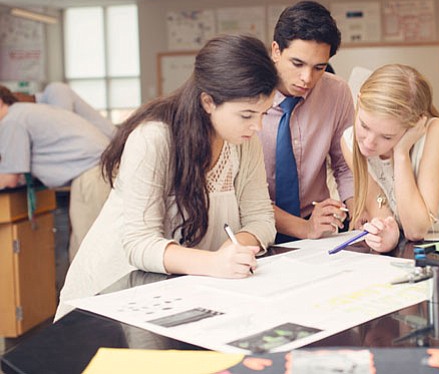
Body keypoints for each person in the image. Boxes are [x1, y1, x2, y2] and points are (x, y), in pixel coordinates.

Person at [56, 35, 278, 320]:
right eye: (247, 114)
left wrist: (233, 250)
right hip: (116, 289)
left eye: (263, 113)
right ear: (208, 102)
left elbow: (260, 217)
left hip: (181, 288)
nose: (258, 126)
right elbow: (139, 243)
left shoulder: (245, 141)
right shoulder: (154, 138)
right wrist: (213, 263)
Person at [341, 64, 439, 253]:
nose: (369, 142)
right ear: (359, 101)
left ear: (413, 125)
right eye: (364, 125)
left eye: (387, 136)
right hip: (427, 245)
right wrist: (386, 235)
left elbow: (416, 229)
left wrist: (401, 154)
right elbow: (382, 213)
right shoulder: (350, 141)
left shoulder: (435, 131)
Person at [259, 1, 355, 243]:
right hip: (258, 228)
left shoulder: (336, 92)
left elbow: (345, 166)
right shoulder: (247, 97)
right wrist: (303, 228)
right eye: (297, 64)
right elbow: (243, 194)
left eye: (319, 67)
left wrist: (358, 213)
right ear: (276, 51)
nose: (307, 78)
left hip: (317, 229)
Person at [0, 85, 111, 261]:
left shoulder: (11, 121)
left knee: (88, 252)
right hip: (98, 170)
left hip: (91, 175)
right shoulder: (24, 113)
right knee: (90, 247)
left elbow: (9, 179)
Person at [13, 82, 117, 139]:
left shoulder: (54, 90)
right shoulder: (40, 111)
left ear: (19, 94)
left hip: (111, 140)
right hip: (100, 144)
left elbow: (63, 127)